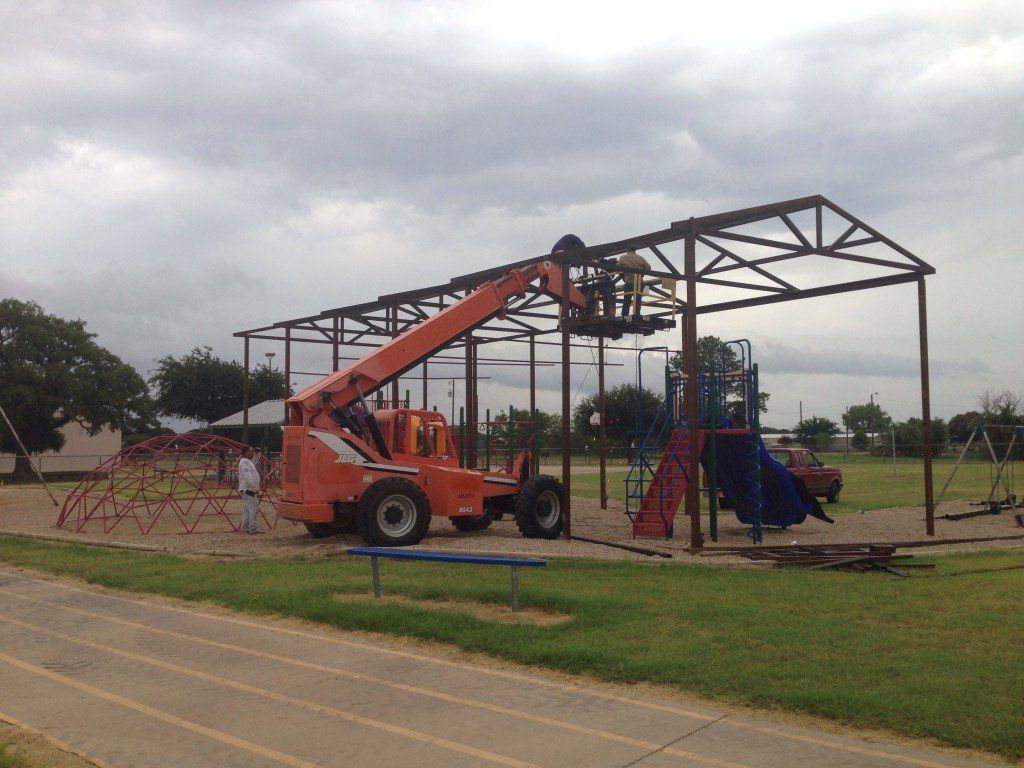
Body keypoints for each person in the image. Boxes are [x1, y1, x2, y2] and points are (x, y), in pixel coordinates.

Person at [616, 249, 652, 316]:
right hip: (638, 282)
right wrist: (642, 273)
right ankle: (637, 313)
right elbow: (649, 268)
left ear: (627, 250)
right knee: (638, 299)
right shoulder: (640, 258)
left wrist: (623, 276)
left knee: (627, 299)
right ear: (635, 250)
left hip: (629, 282)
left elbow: (617, 268)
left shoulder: (623, 257)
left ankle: (624, 314)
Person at [237, 446, 262, 534]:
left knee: (248, 509)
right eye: (251, 452)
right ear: (247, 452)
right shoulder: (244, 462)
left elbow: (254, 461)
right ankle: (253, 529)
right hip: (248, 489)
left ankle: (245, 528)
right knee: (254, 509)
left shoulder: (247, 462)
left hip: (248, 489)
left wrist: (257, 454)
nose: (252, 453)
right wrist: (254, 487)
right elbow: (247, 475)